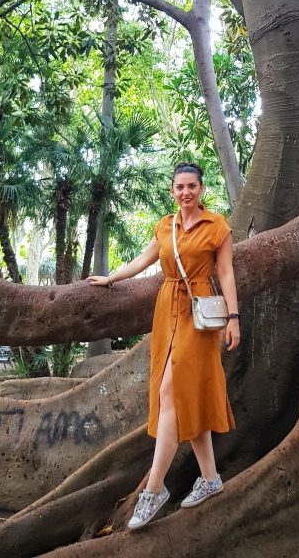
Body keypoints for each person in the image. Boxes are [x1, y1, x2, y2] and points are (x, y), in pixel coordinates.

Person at [87, 161, 240, 530]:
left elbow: (226, 272)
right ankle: (210, 478)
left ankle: (154, 489)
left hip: (199, 315)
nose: (186, 192)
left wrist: (234, 319)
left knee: (172, 390)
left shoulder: (217, 226)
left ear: (201, 189)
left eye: (192, 186)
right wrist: (111, 278)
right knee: (179, 395)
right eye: (179, 187)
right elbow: (144, 260)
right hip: (166, 313)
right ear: (172, 191)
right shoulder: (165, 226)